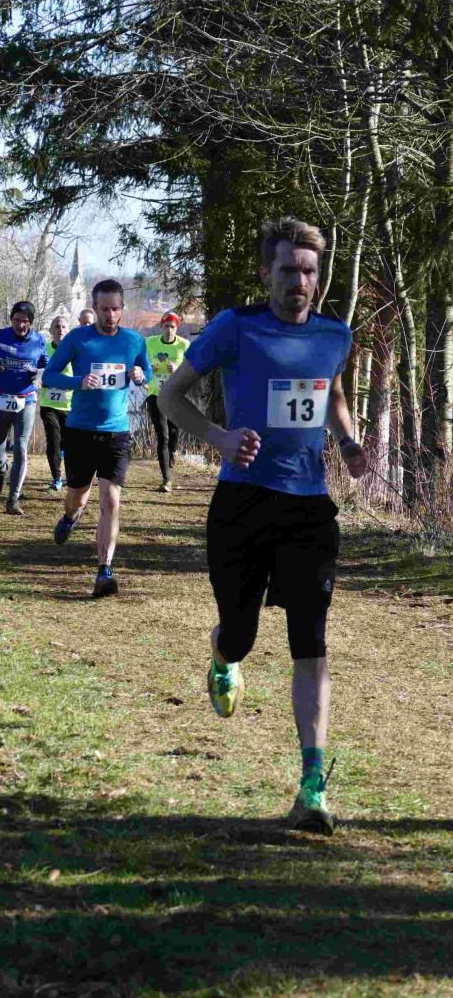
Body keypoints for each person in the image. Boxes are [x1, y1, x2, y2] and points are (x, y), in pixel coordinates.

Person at [159, 216, 367, 835]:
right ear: (265, 274)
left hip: (308, 506)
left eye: (309, 271)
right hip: (243, 503)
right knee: (242, 634)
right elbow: (171, 397)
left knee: (311, 639)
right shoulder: (236, 326)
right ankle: (224, 655)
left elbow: (332, 395)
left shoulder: (335, 334)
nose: (299, 281)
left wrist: (348, 441)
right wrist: (220, 438)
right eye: (288, 270)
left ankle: (312, 787)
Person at [43, 278, 151, 597]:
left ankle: (104, 570)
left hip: (116, 433)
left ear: (122, 308)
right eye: (104, 309)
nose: (110, 315)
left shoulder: (134, 341)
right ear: (95, 307)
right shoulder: (78, 339)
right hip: (80, 431)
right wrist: (78, 381)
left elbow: (146, 373)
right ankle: (70, 516)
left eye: (115, 309)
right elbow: (49, 375)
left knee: (111, 500)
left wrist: (141, 375)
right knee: (78, 496)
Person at [0, 301, 48, 515]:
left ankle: (13, 498)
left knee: (21, 447)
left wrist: (40, 374)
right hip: (1, 399)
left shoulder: (39, 340)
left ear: (31, 322)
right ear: (11, 319)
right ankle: (1, 469)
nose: (20, 325)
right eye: (17, 320)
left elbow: (47, 364)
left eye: (25, 321)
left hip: (27, 400)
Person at [145, 312, 190, 492]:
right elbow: (140, 364)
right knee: (162, 436)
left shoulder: (184, 345)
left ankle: (172, 451)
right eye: (166, 326)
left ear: (176, 328)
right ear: (161, 327)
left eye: (172, 327)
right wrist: (149, 368)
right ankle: (166, 480)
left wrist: (178, 369)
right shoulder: (150, 343)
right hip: (155, 394)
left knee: (174, 432)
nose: (169, 330)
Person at [40, 314, 72, 491]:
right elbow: (37, 371)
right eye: (57, 326)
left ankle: (71, 476)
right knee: (53, 440)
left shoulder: (74, 350)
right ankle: (57, 478)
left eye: (64, 326)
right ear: (51, 331)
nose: (60, 330)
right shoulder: (44, 349)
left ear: (68, 330)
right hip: (49, 404)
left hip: (70, 406)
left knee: (70, 444)